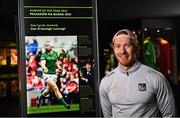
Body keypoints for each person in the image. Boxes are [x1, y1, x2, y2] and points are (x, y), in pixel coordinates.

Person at [99, 29, 176, 117]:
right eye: (117, 46)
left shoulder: (156, 78)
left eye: (127, 45)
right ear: (113, 48)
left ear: (135, 48)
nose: (122, 51)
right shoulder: (106, 81)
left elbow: (170, 115)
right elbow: (107, 116)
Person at [37, 41, 70, 109]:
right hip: (47, 75)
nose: (46, 46)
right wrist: (44, 67)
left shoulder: (55, 53)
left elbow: (56, 62)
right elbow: (43, 64)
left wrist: (59, 67)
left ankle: (39, 98)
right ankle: (65, 104)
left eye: (47, 45)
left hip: (54, 74)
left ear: (52, 47)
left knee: (49, 90)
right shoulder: (44, 54)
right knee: (55, 88)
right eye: (45, 45)